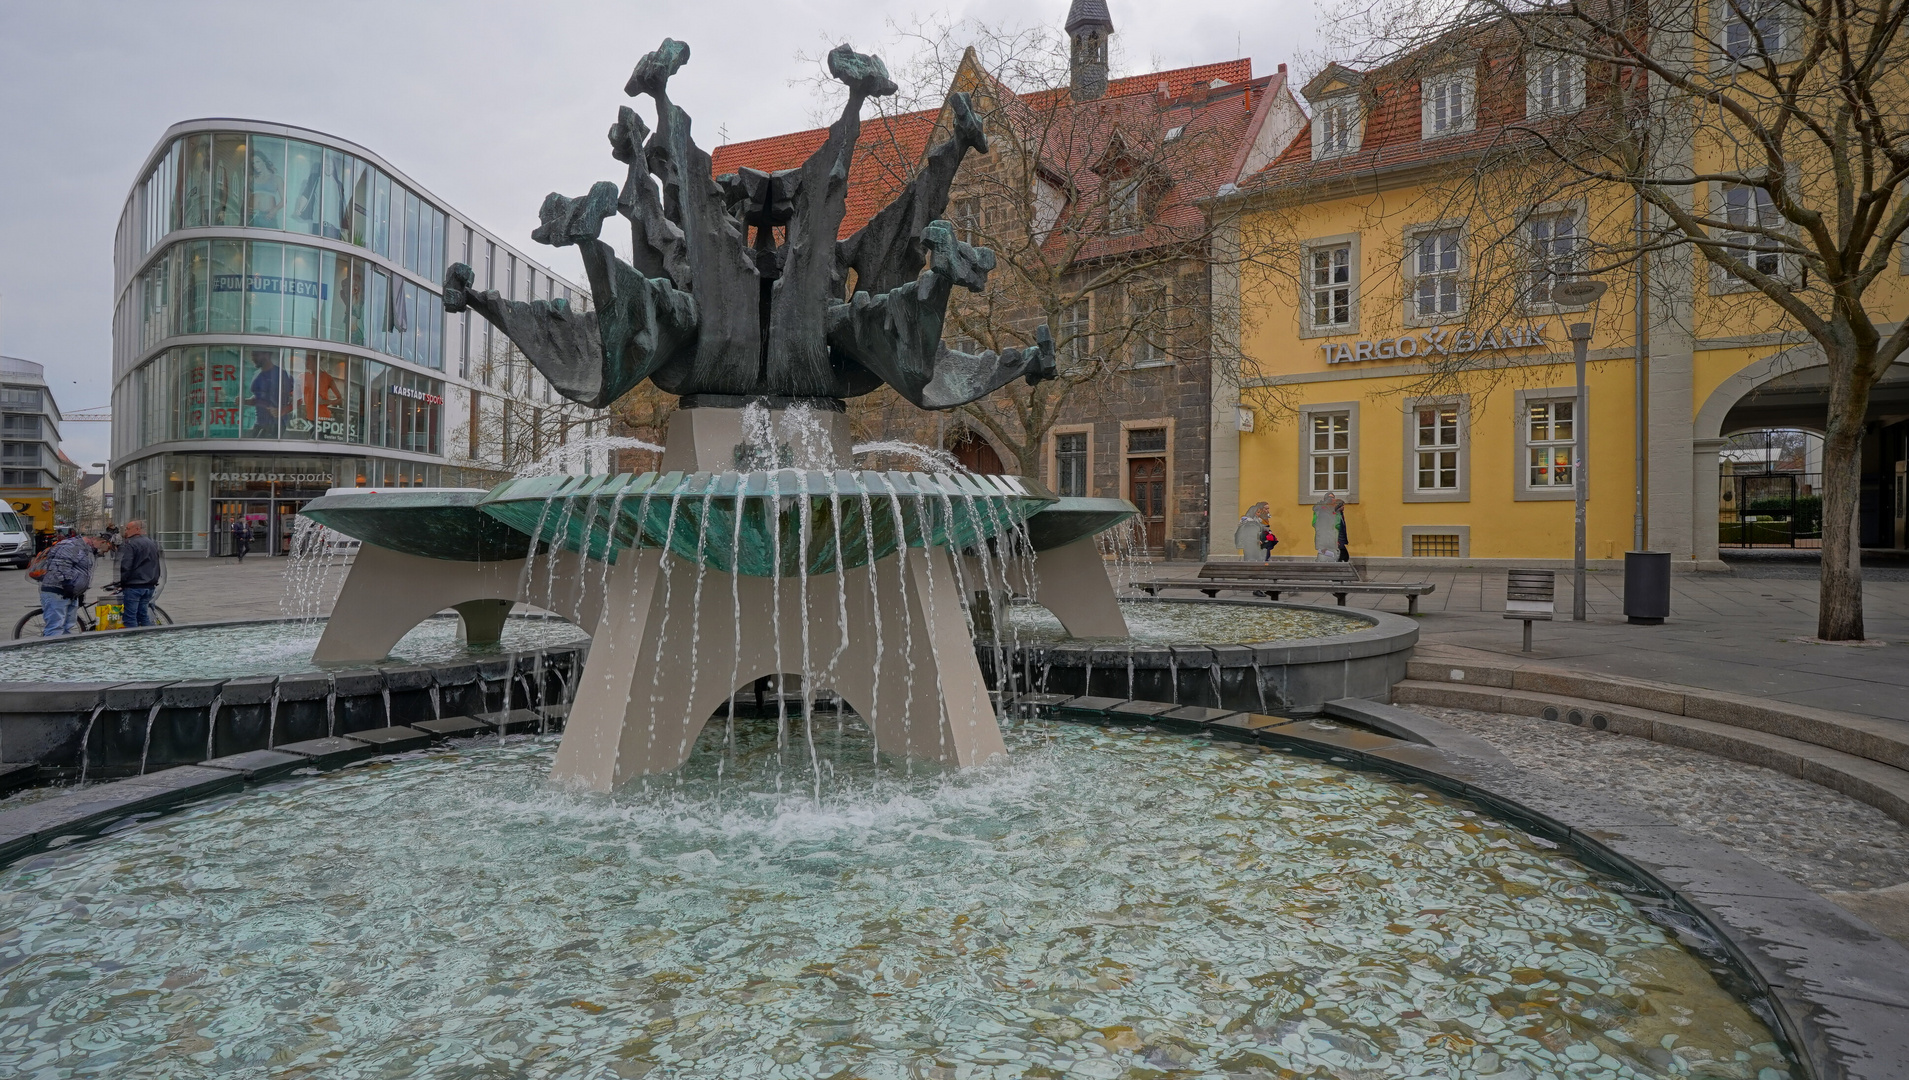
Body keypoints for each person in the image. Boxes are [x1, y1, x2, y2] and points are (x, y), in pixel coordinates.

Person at [36, 532, 106, 637]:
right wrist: (67, 583)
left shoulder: (86, 550)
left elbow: (82, 571)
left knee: (67, 627)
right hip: (57, 591)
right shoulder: (71, 546)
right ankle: (52, 651)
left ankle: (63, 651)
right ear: (96, 540)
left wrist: (79, 591)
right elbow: (61, 565)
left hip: (70, 593)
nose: (101, 549)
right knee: (55, 627)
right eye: (102, 545)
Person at [114, 520, 164, 627]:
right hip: (149, 585)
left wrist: (121, 583)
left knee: (130, 618)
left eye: (128, 528)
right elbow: (156, 564)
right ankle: (149, 637)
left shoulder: (129, 544)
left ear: (137, 529)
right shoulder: (152, 543)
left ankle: (133, 641)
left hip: (134, 586)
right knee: (143, 615)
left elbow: (125, 566)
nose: (126, 531)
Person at [1313, 491, 1346, 563]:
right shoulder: (1322, 510)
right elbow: (1319, 528)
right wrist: (1322, 545)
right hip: (1326, 543)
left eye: (1333, 498)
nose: (1332, 500)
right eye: (1330, 498)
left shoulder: (1333, 511)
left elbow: (1336, 526)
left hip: (1332, 541)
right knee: (1324, 561)